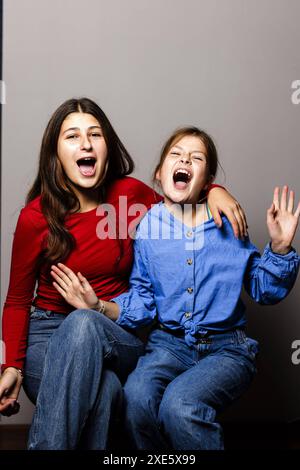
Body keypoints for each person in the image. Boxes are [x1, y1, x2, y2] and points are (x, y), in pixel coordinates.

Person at [0, 100, 247, 450]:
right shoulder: (35, 218)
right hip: (48, 334)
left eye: (94, 134)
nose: (85, 144)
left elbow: (181, 191)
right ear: (56, 151)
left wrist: (216, 191)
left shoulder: (129, 196)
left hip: (116, 330)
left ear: (107, 145)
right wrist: (12, 366)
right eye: (72, 136)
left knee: (84, 322)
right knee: (107, 394)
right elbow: (17, 300)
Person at [51, 126, 300, 450]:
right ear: (159, 173)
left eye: (196, 157)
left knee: (179, 407)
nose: (185, 159)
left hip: (227, 349)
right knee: (136, 401)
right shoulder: (148, 228)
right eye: (176, 154)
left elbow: (263, 289)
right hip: (168, 347)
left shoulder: (227, 221)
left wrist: (280, 248)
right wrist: (99, 305)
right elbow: (143, 299)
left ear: (207, 179)